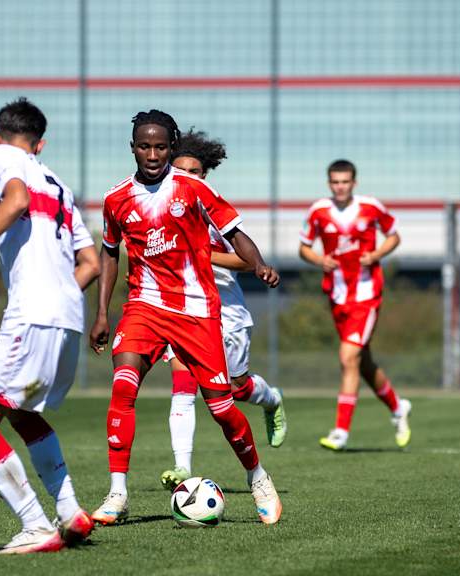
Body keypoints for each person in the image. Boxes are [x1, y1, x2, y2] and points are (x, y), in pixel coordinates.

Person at [89, 110, 283, 526]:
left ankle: (258, 477)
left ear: (171, 148)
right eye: (144, 146)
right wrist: (102, 312)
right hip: (144, 306)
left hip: (196, 311)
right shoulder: (116, 198)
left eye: (160, 147)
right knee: (123, 385)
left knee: (222, 407)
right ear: (133, 148)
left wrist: (260, 264)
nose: (152, 154)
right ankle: (117, 493)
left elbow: (234, 233)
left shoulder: (193, 188)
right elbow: (109, 252)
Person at [0, 98, 100, 554]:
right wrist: (60, 295)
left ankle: (35, 525)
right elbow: (90, 263)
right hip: (67, 316)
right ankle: (69, 512)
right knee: (20, 412)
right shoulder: (60, 185)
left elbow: (16, 201)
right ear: (40, 143)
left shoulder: (2, 155)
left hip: (32, 313)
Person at [159, 129, 287, 492]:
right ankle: (182, 467)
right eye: (179, 170)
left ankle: (272, 400)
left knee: (235, 388)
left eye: (194, 171)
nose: (186, 176)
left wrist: (202, 254)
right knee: (183, 383)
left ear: (205, 175)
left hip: (227, 312)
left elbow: (247, 260)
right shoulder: (161, 208)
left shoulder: (213, 209)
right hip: (183, 310)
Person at [298, 159, 412, 451]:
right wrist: (319, 260)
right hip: (337, 296)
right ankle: (398, 408)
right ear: (329, 184)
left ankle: (340, 432)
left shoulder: (371, 207)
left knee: (348, 357)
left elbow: (394, 236)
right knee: (363, 363)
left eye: (345, 182)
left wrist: (375, 255)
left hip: (366, 295)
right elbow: (304, 248)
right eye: (335, 182)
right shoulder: (318, 211)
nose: (340, 187)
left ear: (354, 183)